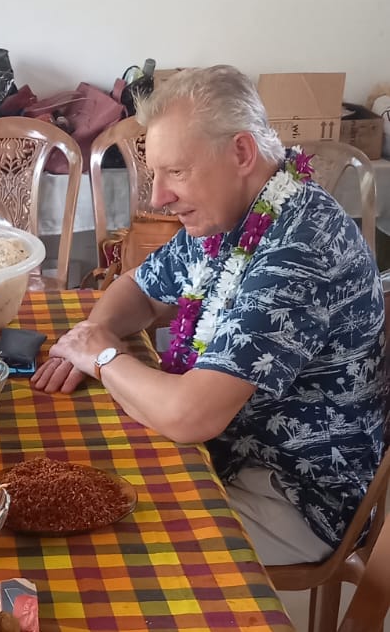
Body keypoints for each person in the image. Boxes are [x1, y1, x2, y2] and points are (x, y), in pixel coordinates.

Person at [32, 65, 384, 567]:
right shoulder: (229, 214)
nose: (158, 197)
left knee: (97, 547)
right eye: (156, 173)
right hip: (228, 451)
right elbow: (140, 288)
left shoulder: (301, 247)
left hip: (296, 492)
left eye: (176, 172)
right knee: (70, 476)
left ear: (241, 153)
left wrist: (104, 358)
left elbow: (190, 415)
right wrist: (96, 332)